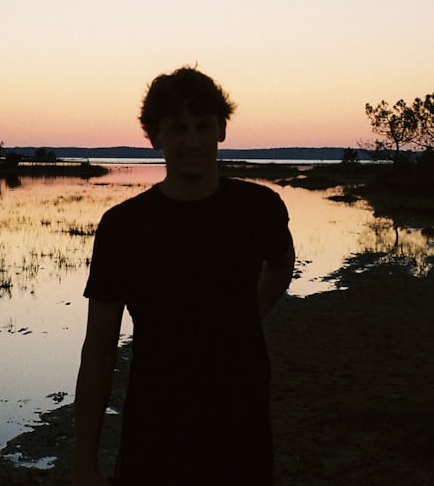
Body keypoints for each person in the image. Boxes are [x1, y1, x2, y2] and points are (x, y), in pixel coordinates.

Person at [74, 66, 296, 486]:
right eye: (176, 128)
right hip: (155, 425)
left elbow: (282, 261)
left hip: (241, 421)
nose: (192, 141)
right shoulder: (123, 228)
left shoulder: (258, 208)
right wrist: (84, 462)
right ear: (154, 136)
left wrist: (250, 314)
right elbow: (99, 352)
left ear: (221, 130)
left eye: (203, 126)